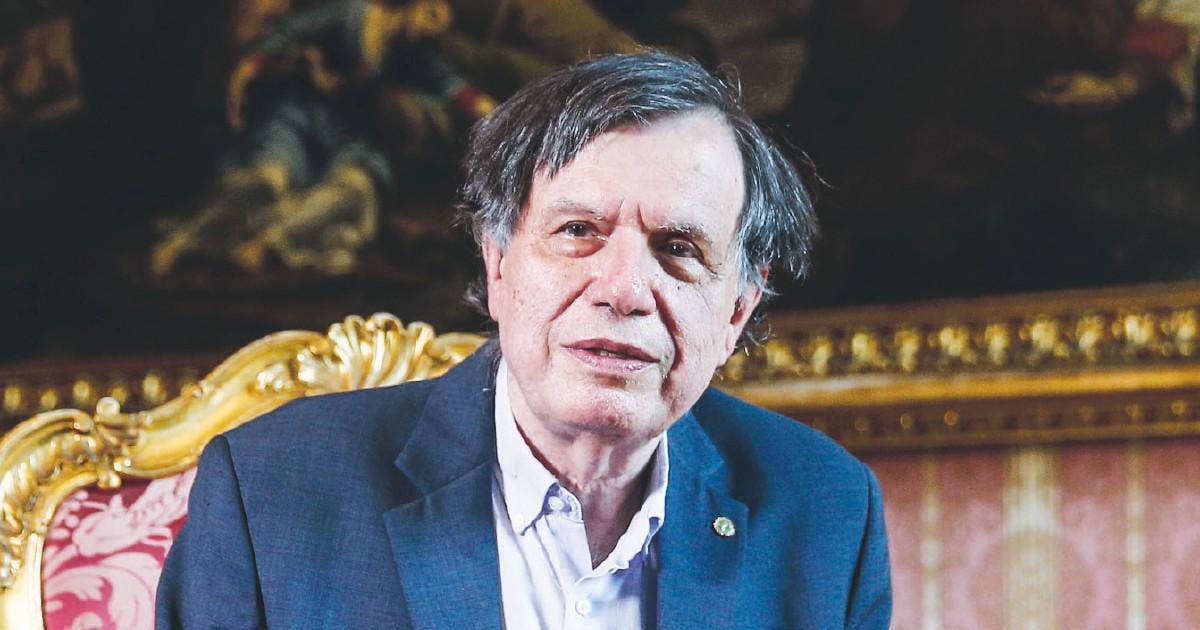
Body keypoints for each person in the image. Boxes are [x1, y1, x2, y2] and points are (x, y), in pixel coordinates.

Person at [155, 51, 891, 629]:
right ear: (499, 264)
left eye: (678, 249)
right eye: (578, 231)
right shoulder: (272, 494)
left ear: (736, 310)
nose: (624, 289)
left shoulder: (825, 512)